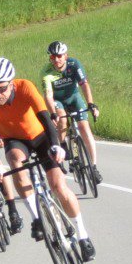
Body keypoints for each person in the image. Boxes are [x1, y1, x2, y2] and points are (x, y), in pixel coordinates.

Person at [0, 57, 94, 261]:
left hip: (41, 137)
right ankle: (36, 218)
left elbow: (46, 118)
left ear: (11, 83)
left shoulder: (25, 87)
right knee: (14, 159)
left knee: (58, 187)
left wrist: (56, 146)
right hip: (15, 140)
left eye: (2, 89)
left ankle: (83, 234)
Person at [41, 41, 101, 183]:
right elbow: (48, 96)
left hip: (74, 97)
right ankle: (63, 145)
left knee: (84, 127)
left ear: (66, 56)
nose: (56, 59)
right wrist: (53, 113)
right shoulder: (46, 72)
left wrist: (91, 104)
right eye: (53, 57)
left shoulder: (74, 64)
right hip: (57, 100)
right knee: (62, 119)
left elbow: (84, 84)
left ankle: (94, 167)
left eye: (59, 56)